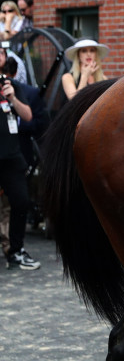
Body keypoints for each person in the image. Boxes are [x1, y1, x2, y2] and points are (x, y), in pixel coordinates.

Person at [1, 68, 47, 271]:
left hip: (11, 157)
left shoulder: (11, 85)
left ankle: (16, 252)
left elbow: (27, 116)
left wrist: (12, 98)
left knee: (21, 202)